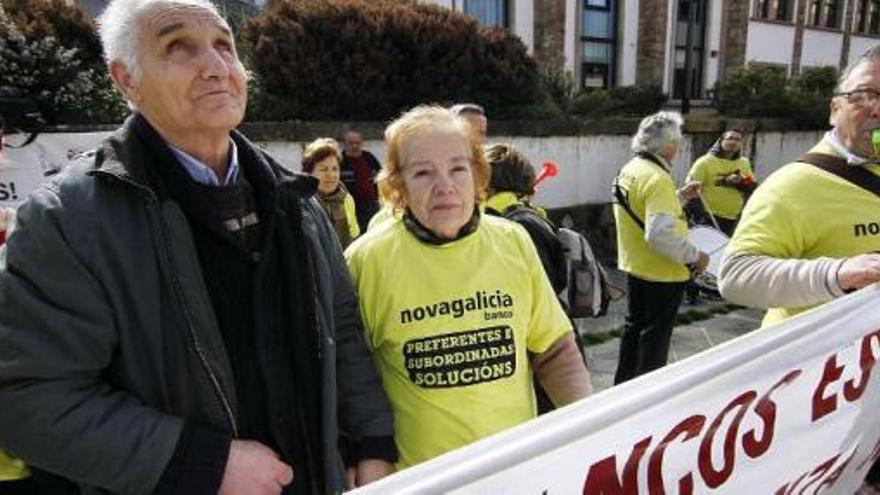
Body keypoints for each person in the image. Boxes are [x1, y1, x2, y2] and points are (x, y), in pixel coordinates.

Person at [0, 1, 396, 494]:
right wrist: (202, 464)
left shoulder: (293, 199)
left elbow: (341, 330)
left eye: (223, 46)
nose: (215, 67)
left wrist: (370, 443)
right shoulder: (69, 219)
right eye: (177, 47)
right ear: (126, 80)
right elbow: (28, 399)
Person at [345, 105, 592, 470]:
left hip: (514, 471)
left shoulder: (514, 242)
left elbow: (555, 350)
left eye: (458, 168)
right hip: (422, 479)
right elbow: (350, 380)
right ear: (398, 185)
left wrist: (589, 425)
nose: (444, 185)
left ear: (478, 175)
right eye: (423, 172)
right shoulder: (366, 261)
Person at [718, 47, 880, 492]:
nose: (877, 110)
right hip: (816, 402)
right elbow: (734, 275)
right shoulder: (796, 184)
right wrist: (839, 273)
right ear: (835, 107)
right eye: (865, 95)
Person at [612, 111, 709, 384]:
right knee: (655, 339)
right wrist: (695, 256)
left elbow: (642, 209)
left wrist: (679, 197)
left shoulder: (631, 169)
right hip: (662, 274)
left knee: (634, 330)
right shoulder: (658, 179)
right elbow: (659, 234)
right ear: (668, 146)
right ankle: (647, 395)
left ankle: (623, 387)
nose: (678, 147)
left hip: (636, 265)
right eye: (677, 142)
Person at [685, 129, 757, 236]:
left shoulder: (744, 163)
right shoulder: (704, 162)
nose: (733, 142)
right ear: (721, 141)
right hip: (708, 218)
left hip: (732, 218)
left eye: (737, 140)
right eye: (730, 138)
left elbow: (752, 188)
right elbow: (690, 189)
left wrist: (740, 182)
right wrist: (701, 216)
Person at [302, 137, 360, 248]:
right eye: (323, 169)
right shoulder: (303, 202)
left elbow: (354, 237)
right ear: (309, 173)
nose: (331, 175)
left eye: (335, 169)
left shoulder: (346, 199)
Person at [340, 129, 382, 232]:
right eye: (351, 143)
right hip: (349, 209)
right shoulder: (340, 161)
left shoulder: (369, 158)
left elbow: (381, 176)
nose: (355, 146)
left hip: (371, 207)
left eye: (357, 143)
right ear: (344, 144)